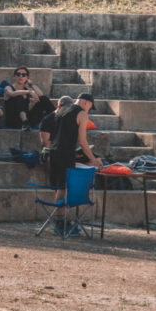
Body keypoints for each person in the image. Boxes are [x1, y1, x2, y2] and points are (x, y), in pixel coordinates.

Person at [49, 94, 103, 234]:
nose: (89, 110)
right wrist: (93, 159)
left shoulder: (60, 110)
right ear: (86, 102)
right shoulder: (82, 114)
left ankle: (60, 220)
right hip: (66, 153)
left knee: (60, 186)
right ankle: (60, 222)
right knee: (63, 187)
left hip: (53, 152)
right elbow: (83, 141)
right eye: (90, 107)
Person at [3, 65, 55, 129]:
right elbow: (12, 93)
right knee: (19, 97)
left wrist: (31, 84)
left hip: (27, 120)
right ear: (15, 76)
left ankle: (56, 119)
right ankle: (25, 123)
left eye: (24, 75)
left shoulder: (26, 89)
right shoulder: (8, 88)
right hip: (13, 121)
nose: (21, 76)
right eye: (18, 74)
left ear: (27, 77)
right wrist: (29, 91)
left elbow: (40, 95)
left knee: (44, 99)